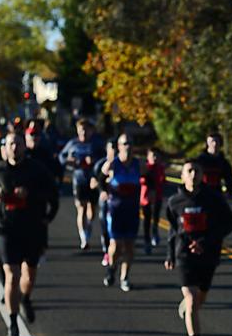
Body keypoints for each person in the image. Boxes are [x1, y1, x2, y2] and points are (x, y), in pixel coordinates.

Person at [164, 158, 232, 336]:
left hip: (208, 255)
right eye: (189, 171)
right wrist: (170, 254)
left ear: (202, 174)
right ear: (182, 175)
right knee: (192, 298)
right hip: (184, 256)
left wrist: (206, 241)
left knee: (199, 299)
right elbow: (172, 230)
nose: (193, 174)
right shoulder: (174, 202)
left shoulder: (213, 198)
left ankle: (187, 309)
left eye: (196, 170)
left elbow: (229, 223)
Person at [0, 130, 59, 336]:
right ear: (5, 147)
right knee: (11, 275)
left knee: (29, 274)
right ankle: (12, 324)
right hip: (7, 228)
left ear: (24, 146)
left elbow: (53, 193)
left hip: (32, 227)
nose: (14, 148)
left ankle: (26, 298)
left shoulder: (37, 170)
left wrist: (46, 213)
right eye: (10, 144)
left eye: (18, 144)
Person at [96, 133, 142, 291]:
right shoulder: (112, 164)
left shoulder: (138, 164)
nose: (128, 147)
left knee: (130, 246)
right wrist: (103, 191)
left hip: (132, 210)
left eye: (130, 143)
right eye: (124, 143)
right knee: (116, 245)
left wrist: (151, 191)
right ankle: (111, 267)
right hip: (116, 209)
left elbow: (150, 179)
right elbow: (99, 178)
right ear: (119, 147)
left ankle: (125, 277)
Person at [59, 117, 105, 250]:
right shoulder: (73, 143)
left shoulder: (96, 144)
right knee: (81, 207)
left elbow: (105, 159)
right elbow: (62, 157)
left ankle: (89, 227)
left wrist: (94, 160)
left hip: (93, 180)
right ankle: (83, 238)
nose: (83, 133)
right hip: (79, 179)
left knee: (92, 209)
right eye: (80, 130)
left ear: (91, 131)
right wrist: (69, 160)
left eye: (86, 130)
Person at [140, 145, 168, 252]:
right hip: (145, 198)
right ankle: (147, 241)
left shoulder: (160, 168)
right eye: (152, 155)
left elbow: (163, 180)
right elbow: (141, 180)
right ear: (147, 157)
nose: (155, 158)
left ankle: (155, 232)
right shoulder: (145, 168)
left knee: (156, 217)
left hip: (158, 197)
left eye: (157, 156)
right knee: (147, 219)